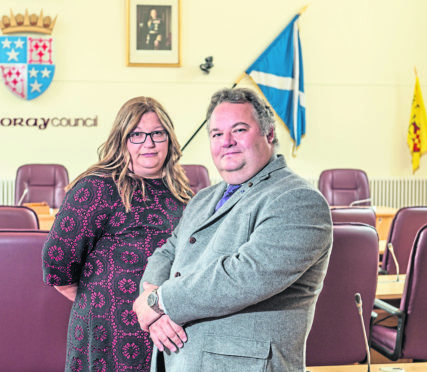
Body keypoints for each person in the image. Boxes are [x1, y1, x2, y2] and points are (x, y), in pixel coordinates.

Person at [133, 88, 333, 371]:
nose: (226, 142)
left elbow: (245, 276)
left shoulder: (297, 199)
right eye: (216, 134)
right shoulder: (203, 198)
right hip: (177, 360)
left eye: (239, 130)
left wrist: (159, 302)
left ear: (270, 134)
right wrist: (152, 299)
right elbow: (167, 251)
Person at [42, 96, 192, 371]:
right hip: (107, 332)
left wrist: (161, 310)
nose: (148, 143)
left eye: (157, 133)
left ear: (169, 140)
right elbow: (57, 261)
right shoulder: (96, 188)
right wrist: (104, 300)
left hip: (172, 331)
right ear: (121, 140)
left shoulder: (184, 196)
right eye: (136, 134)